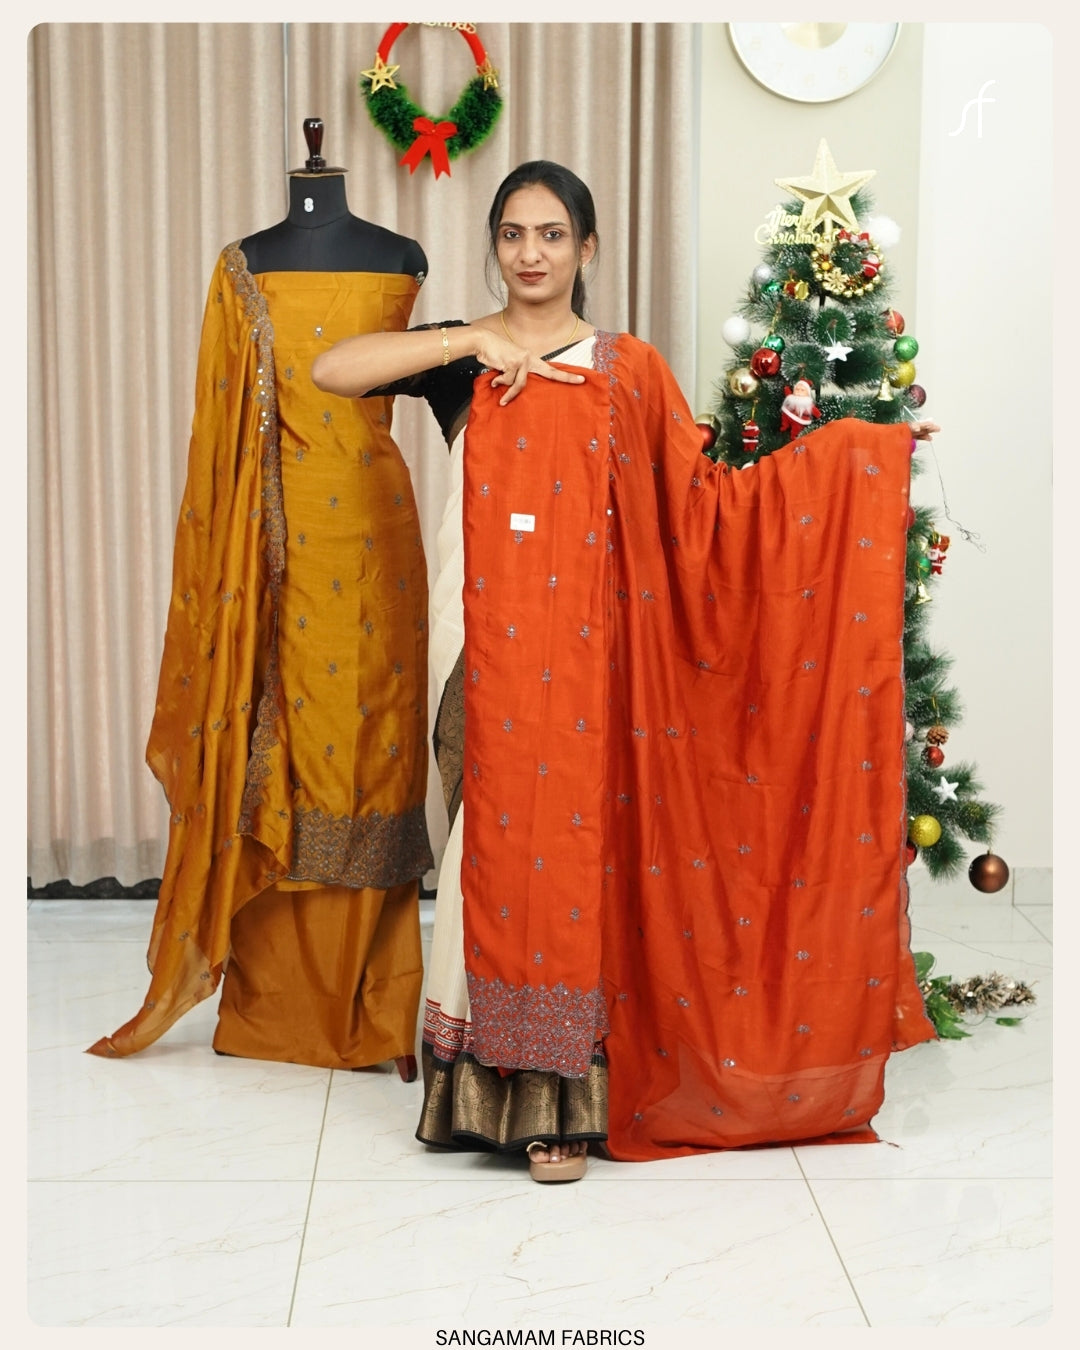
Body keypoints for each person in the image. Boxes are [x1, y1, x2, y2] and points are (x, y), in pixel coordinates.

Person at [311, 160, 942, 1181]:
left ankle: (564, 1102)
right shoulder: (461, 362)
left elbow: (706, 507)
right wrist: (469, 340)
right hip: (481, 653)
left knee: (576, 866)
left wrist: (855, 465)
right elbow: (332, 369)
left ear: (587, 248)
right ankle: (488, 1083)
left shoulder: (628, 371)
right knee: (485, 857)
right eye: (513, 234)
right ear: (495, 246)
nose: (531, 254)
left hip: (597, 663)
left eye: (552, 234)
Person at [89, 136, 434, 1075]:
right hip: (269, 548)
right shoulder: (242, 268)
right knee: (276, 748)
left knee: (373, 748)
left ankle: (372, 1005)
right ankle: (274, 1005)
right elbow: (222, 425)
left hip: (374, 535)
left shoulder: (405, 256)